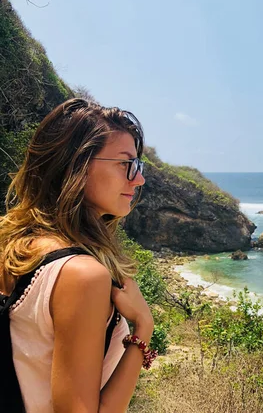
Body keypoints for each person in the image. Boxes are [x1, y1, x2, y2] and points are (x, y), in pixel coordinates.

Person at [0, 98, 155, 412]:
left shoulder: (14, 244)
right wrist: (143, 328)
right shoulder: (82, 275)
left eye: (138, 166)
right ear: (78, 166)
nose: (138, 179)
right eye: (127, 165)